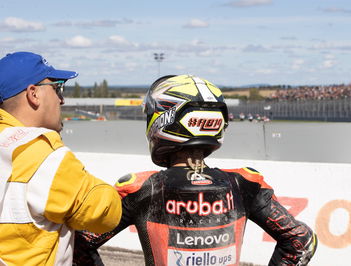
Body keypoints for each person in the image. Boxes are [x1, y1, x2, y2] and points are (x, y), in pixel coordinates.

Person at [74, 75, 317, 265]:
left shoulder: (139, 188)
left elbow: (79, 245)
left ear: (163, 119)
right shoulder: (245, 183)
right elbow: (301, 240)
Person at [0, 52, 122, 265]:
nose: (62, 100)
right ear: (33, 94)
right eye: (57, 88)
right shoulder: (41, 153)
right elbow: (105, 215)